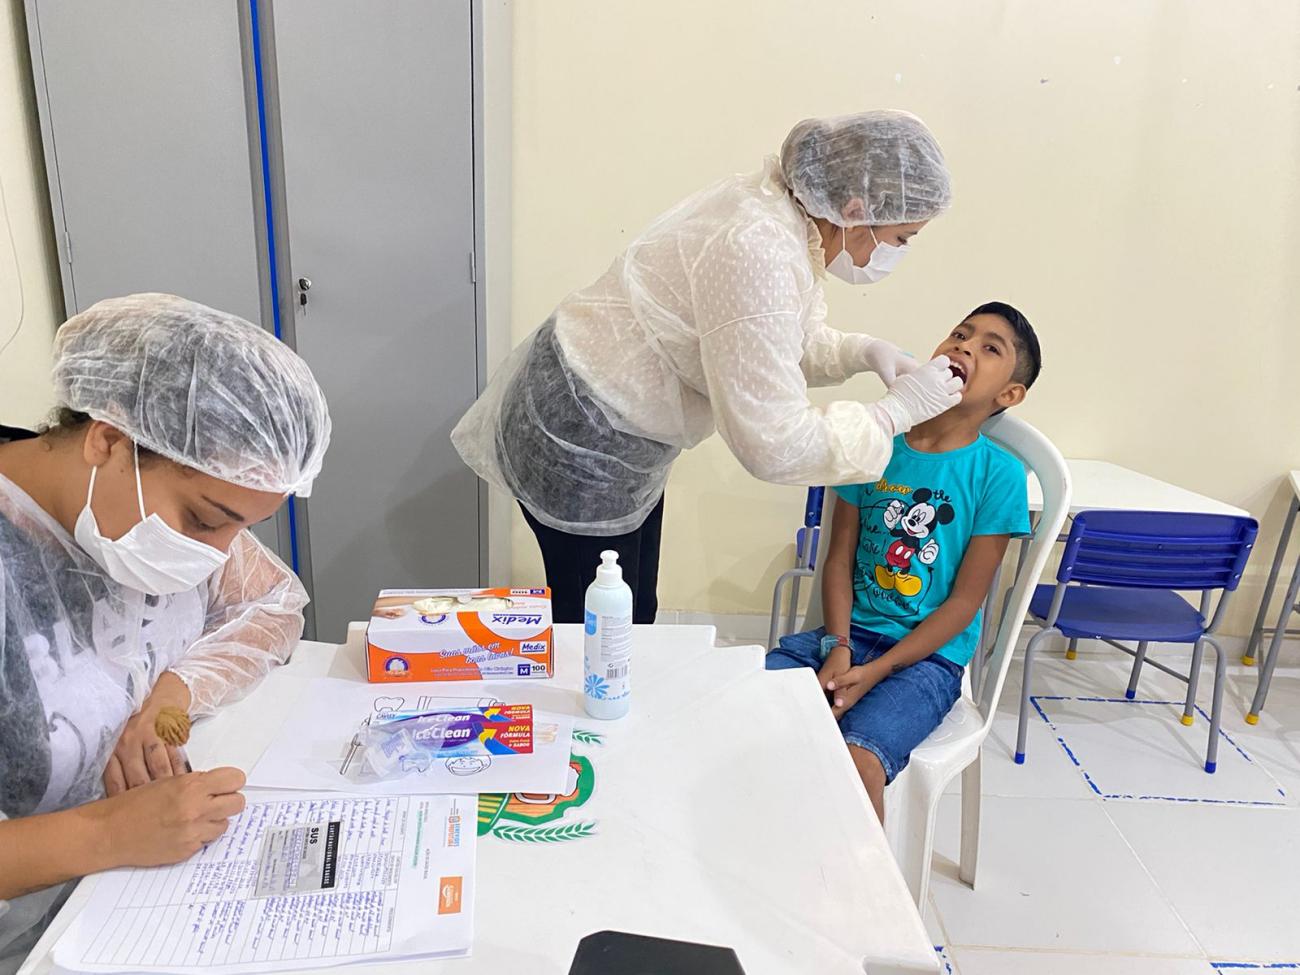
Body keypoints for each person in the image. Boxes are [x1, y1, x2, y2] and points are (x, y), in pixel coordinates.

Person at [453, 110, 962, 623]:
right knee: (600, 619)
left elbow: (777, 335)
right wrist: (894, 414)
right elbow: (774, 443)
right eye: (901, 237)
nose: (899, 252)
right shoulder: (756, 249)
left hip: (613, 420)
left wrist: (862, 350)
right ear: (855, 209)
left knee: (631, 610)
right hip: (585, 429)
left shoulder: (782, 216)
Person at [0, 294, 331, 972]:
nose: (217, 553)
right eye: (206, 520)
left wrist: (171, 693)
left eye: (243, 526)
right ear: (107, 440)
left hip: (127, 899)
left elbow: (270, 603)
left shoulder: (140, 506)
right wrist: (105, 833)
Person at [766, 302, 1040, 823]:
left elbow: (964, 605)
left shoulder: (997, 474)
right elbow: (838, 560)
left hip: (926, 661)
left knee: (858, 762)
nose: (964, 346)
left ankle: (859, 878)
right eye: (960, 333)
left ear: (1008, 394)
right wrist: (839, 647)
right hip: (843, 638)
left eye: (990, 348)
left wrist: (875, 671)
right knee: (750, 710)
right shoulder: (876, 442)